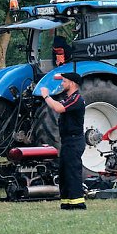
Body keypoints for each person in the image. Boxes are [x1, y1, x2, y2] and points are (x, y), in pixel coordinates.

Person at [40, 72, 86, 210]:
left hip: (74, 141)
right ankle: (66, 202)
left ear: (72, 83)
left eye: (64, 81)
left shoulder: (77, 99)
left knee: (72, 172)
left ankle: (78, 203)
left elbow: (58, 108)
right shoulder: (69, 98)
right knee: (64, 172)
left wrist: (46, 96)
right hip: (67, 141)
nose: (62, 84)